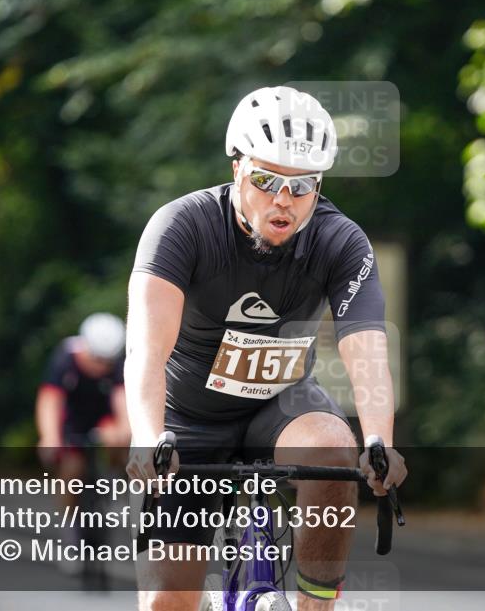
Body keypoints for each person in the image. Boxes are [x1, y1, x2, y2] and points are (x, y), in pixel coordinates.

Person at [126, 85, 407, 611]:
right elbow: (146, 350)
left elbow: (366, 350)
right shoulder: (181, 227)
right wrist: (147, 436)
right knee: (166, 602)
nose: (283, 199)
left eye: (302, 187)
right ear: (237, 168)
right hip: (189, 419)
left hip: (282, 408)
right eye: (265, 179)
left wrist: (378, 440)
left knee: (332, 446)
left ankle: (316, 604)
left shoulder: (340, 241)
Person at [35, 312, 131, 563]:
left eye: (107, 362)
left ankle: (113, 482)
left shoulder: (120, 361)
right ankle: (69, 529)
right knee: (71, 468)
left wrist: (124, 431)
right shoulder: (65, 357)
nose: (101, 367)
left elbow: (123, 401)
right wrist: (49, 437)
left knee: (120, 437)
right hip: (74, 419)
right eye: (97, 359)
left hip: (104, 416)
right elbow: (50, 400)